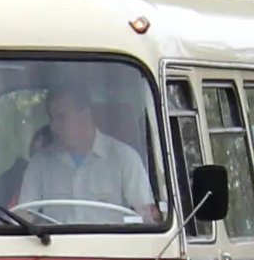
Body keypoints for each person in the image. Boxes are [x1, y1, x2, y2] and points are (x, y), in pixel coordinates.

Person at [16, 82, 161, 224]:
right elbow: (24, 215)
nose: (53, 127)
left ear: (85, 114)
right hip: (51, 245)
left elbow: (147, 216)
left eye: (61, 117)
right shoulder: (40, 163)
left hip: (111, 246)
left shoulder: (125, 158)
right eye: (52, 119)